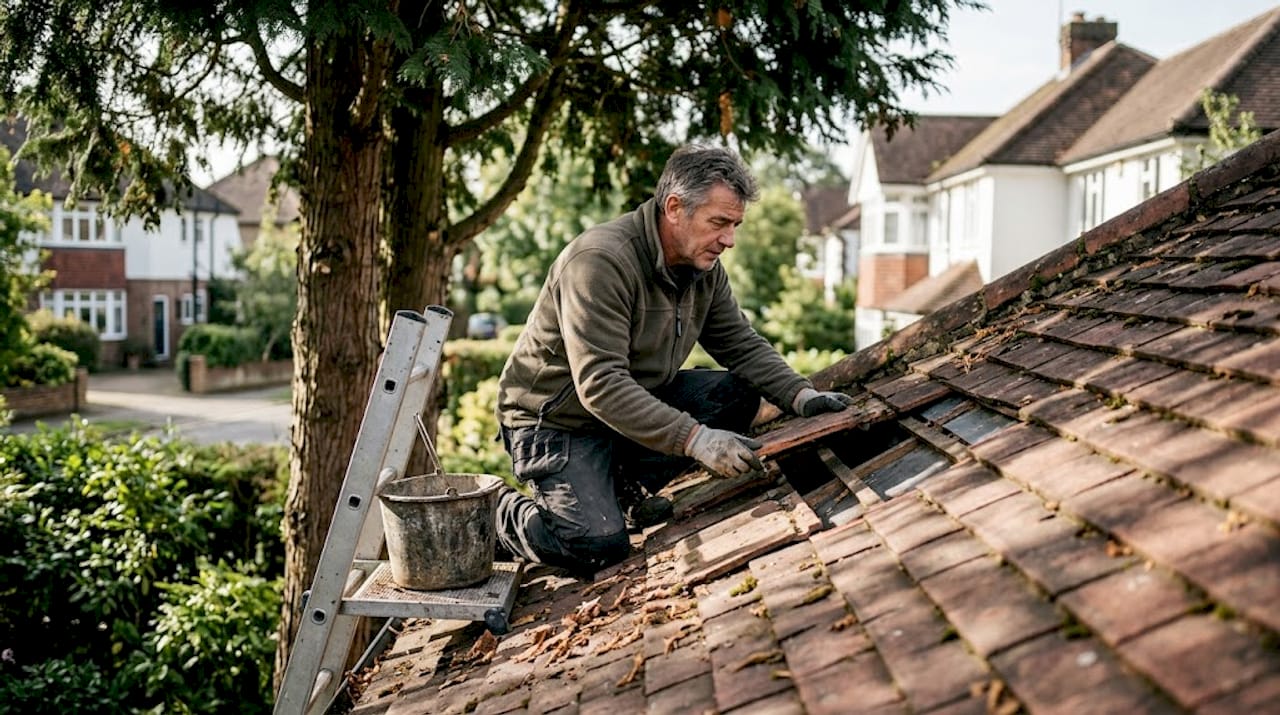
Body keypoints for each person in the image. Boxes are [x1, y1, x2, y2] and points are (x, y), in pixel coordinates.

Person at [493, 143, 854, 576]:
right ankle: (495, 514)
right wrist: (696, 439)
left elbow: (739, 342)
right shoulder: (601, 262)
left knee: (737, 395)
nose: (729, 240)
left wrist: (802, 396)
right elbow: (601, 385)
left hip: (623, 410)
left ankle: (620, 490)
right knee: (594, 546)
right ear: (675, 207)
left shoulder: (703, 268)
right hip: (556, 422)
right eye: (719, 222)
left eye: (735, 225)